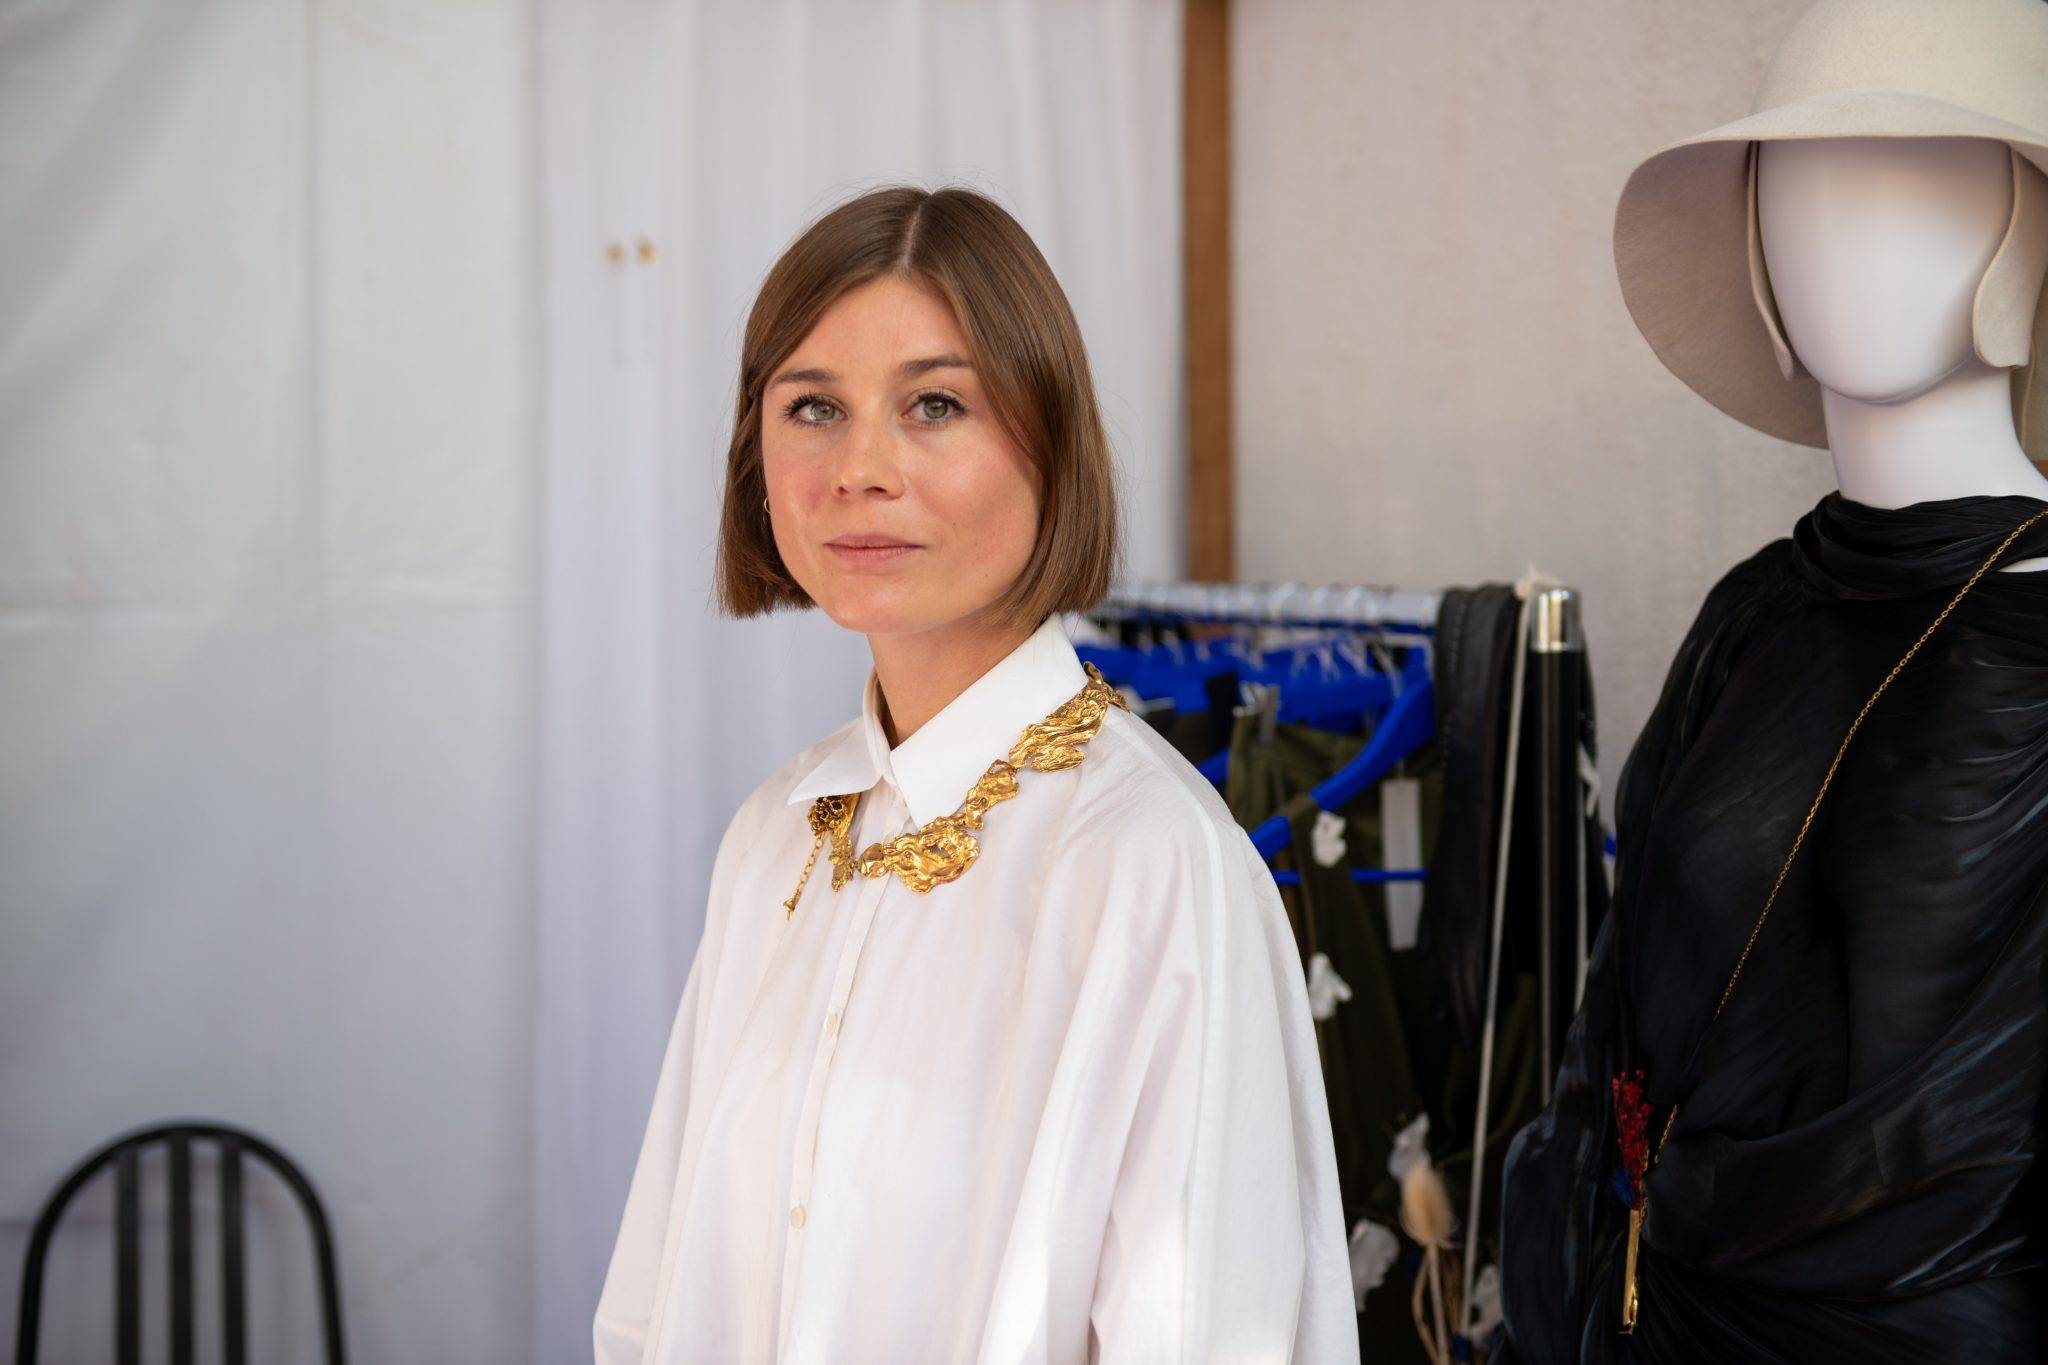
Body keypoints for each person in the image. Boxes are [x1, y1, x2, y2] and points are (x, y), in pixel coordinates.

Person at [593, 184, 1357, 1364]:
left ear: (1049, 440)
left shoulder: (1148, 865)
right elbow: (658, 1304)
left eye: (934, 404)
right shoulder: (776, 836)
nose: (860, 467)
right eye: (811, 406)